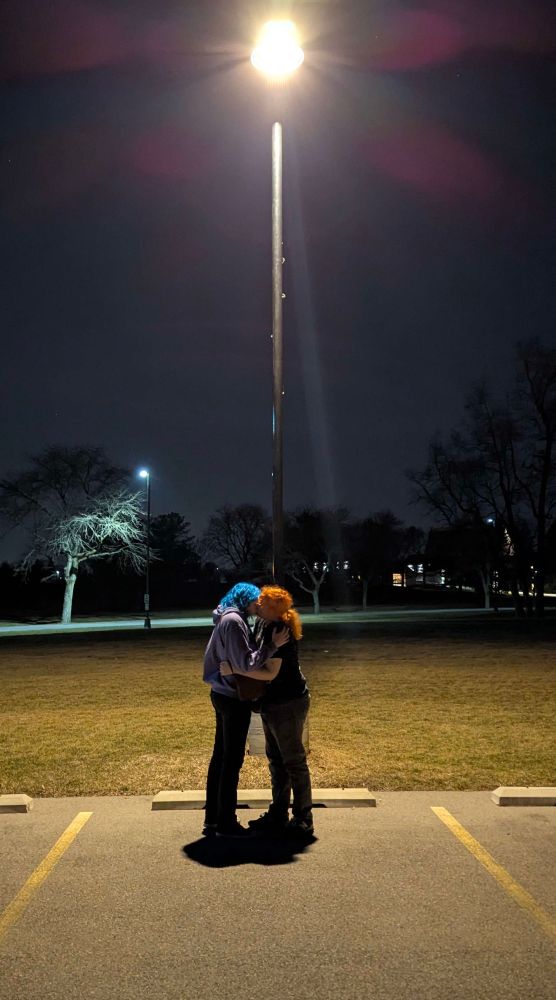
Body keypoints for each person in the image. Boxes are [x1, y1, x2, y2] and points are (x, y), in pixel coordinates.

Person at [222, 585, 314, 837]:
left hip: (289, 701)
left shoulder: (280, 629)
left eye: (263, 602)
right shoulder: (263, 623)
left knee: (293, 760)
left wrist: (235, 669)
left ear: (274, 609)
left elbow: (270, 673)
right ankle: (278, 813)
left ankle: (303, 818)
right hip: (272, 702)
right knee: (276, 759)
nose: (258, 603)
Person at [203, 582, 288, 838]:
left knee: (221, 757)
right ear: (245, 600)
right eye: (255, 602)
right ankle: (226, 822)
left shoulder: (225, 617)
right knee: (231, 760)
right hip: (232, 697)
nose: (257, 606)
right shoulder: (234, 621)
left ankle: (213, 818)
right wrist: (272, 646)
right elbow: (246, 664)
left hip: (221, 693)